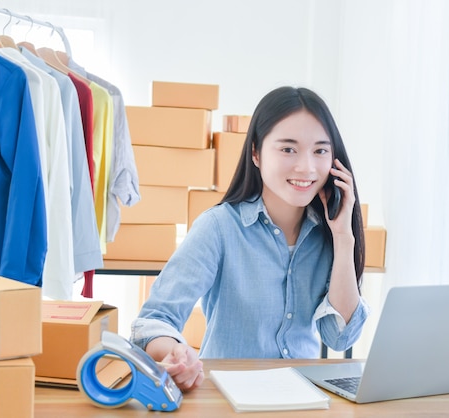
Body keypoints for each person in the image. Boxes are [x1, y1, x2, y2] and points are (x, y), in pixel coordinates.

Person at [131, 86, 369, 392]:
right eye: (288, 149)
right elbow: (153, 320)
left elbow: (340, 337)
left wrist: (343, 236)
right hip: (228, 396)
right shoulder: (218, 228)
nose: (307, 167)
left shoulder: (329, 235)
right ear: (256, 153)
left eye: (320, 150)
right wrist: (174, 352)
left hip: (303, 397)